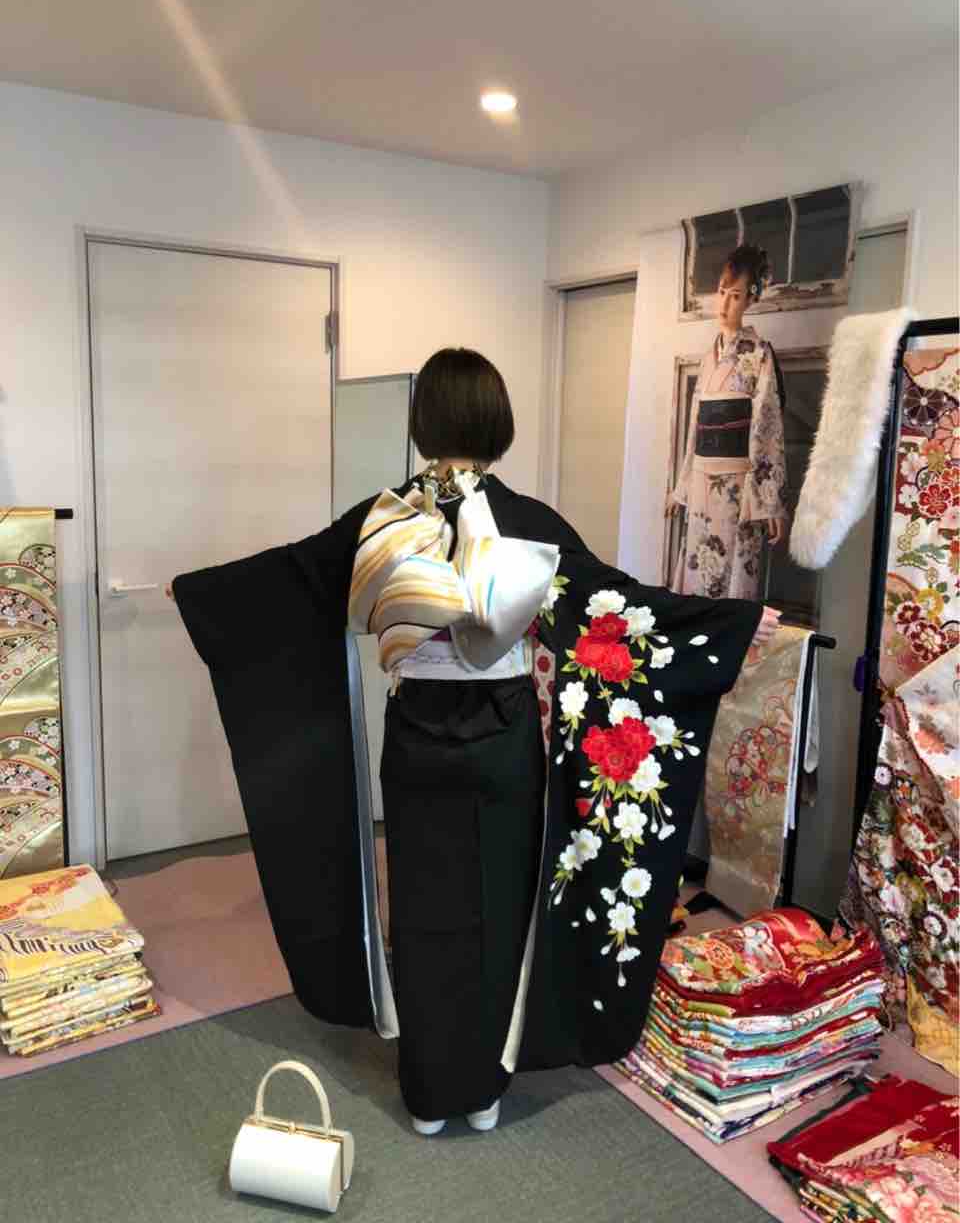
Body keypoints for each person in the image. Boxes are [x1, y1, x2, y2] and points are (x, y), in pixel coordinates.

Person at [171, 347, 777, 1137]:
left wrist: (199, 593)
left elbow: (293, 580)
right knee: (498, 908)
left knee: (426, 909)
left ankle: (428, 1091)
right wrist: (737, 624)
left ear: (422, 423)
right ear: (498, 423)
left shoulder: (382, 519)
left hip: (417, 736)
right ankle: (485, 1089)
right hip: (503, 738)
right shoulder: (530, 522)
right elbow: (620, 609)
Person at [667, 244, 788, 600]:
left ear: (751, 298)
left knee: (732, 581)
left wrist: (769, 500)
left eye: (735, 296)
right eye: (721, 293)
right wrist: (681, 487)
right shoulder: (709, 357)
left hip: (738, 484)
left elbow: (767, 427)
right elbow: (696, 428)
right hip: (702, 480)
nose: (723, 305)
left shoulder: (759, 354)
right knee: (697, 572)